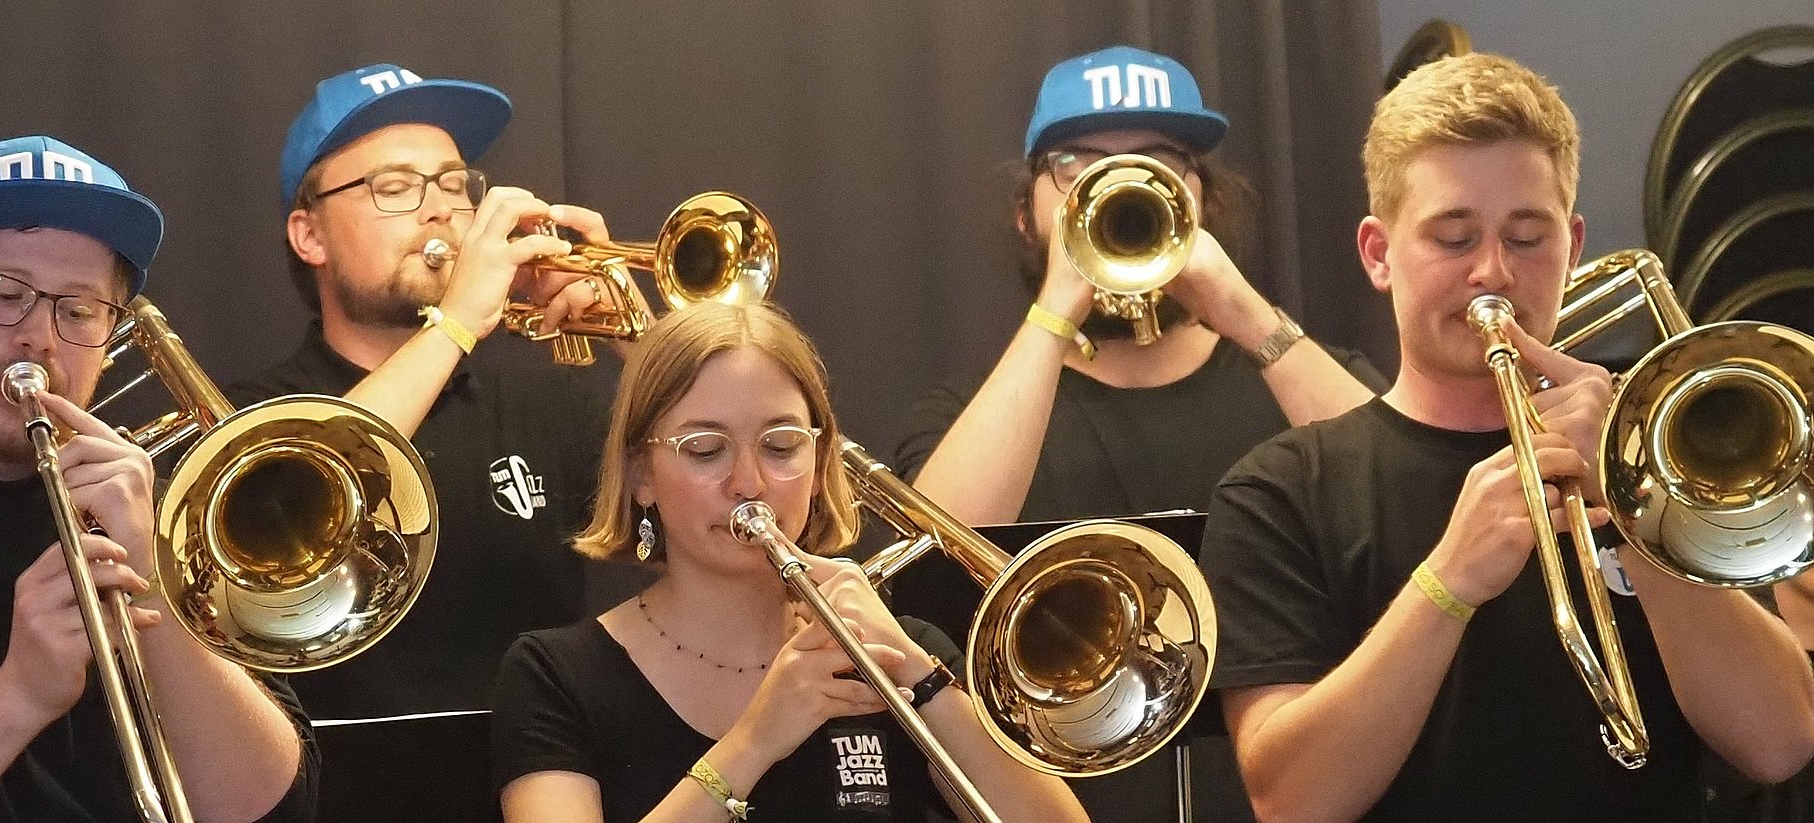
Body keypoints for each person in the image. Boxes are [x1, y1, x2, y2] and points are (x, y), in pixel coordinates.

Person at [1199, 52, 1814, 822]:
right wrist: (1446, 582)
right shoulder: (1282, 489)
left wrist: (1634, 509)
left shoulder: (1664, 456)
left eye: (1528, 237)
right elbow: (1291, 799)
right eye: (1453, 238)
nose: (1492, 272)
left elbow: (1781, 740)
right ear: (1378, 254)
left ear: (1574, 243)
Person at [894, 45, 1383, 822]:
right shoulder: (969, 411)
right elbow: (932, 557)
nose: (1116, 185)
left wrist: (1240, 308)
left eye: (1161, 162)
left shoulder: (1296, 376)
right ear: (1028, 212)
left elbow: (1402, 485)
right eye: (1076, 166)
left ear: (1204, 203)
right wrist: (1057, 309)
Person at [492, 302, 1091, 822]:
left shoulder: (899, 654)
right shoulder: (555, 674)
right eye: (705, 450)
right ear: (642, 474)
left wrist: (919, 676)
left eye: (781, 446)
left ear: (820, 457)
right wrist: (754, 742)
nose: (748, 483)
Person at [0, 135, 316, 821]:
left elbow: (272, 807)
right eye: (5, 292)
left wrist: (150, 573)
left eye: (79, 310)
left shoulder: (159, 509)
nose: (39, 336)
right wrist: (18, 697)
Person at [231, 63, 631, 720]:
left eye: (455, 183)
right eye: (395, 186)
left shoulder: (553, 404)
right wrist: (460, 321)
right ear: (310, 235)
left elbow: (727, 517)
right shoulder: (250, 418)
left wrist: (636, 332)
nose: (442, 208)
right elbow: (308, 471)